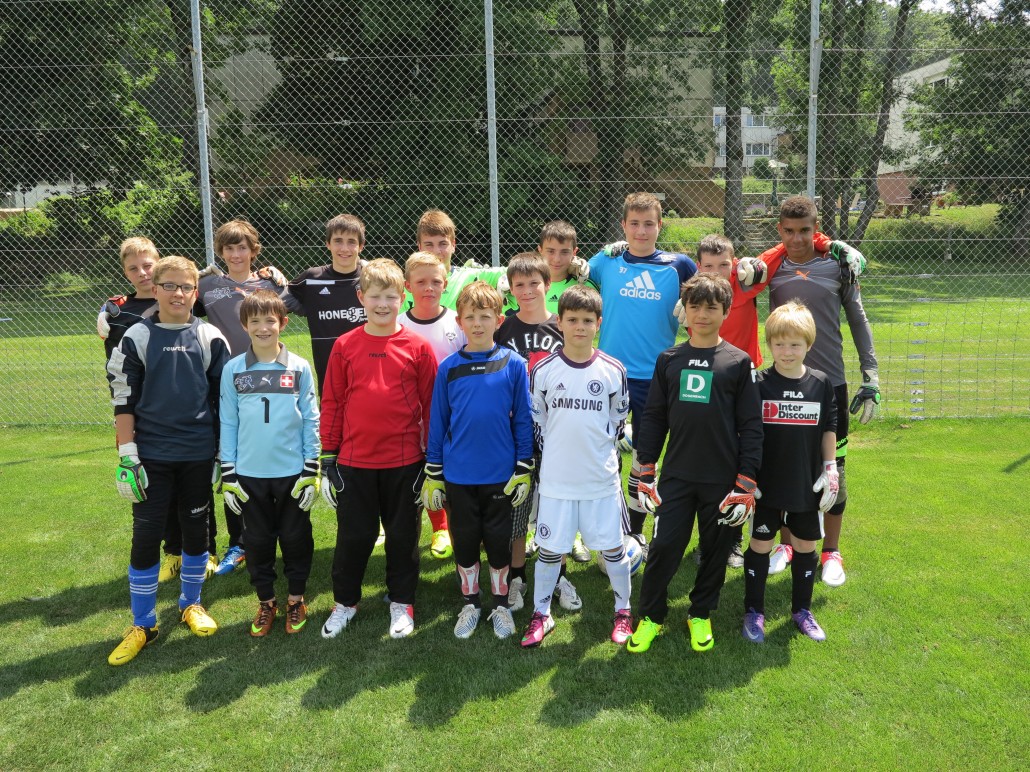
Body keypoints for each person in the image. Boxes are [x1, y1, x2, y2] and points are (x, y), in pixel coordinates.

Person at [626, 273, 762, 654]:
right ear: (684, 311)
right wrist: (645, 469)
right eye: (695, 306)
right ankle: (651, 616)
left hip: (723, 479)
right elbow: (654, 417)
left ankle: (700, 612)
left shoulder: (738, 362)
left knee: (716, 549)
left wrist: (746, 481)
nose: (702, 314)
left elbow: (752, 427)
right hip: (677, 476)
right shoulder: (669, 359)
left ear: (725, 312)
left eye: (711, 307)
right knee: (665, 546)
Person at [106, 256, 231, 665]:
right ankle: (143, 623)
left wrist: (221, 453)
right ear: (155, 289)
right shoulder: (137, 336)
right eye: (170, 286)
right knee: (146, 535)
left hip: (197, 453)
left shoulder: (211, 336)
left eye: (186, 287)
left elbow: (223, 402)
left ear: (196, 293)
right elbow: (123, 399)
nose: (178, 293)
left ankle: (190, 603)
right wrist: (128, 454)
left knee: (196, 531)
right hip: (151, 456)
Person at [760, 196, 880, 587]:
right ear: (779, 230)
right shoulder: (769, 267)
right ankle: (785, 545)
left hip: (829, 386)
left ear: (817, 229)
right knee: (782, 464)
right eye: (789, 231)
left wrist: (871, 375)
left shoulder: (839, 266)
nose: (797, 239)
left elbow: (858, 320)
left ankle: (831, 552)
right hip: (783, 384)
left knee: (834, 470)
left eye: (805, 231)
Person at [319, 259, 436, 640]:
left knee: (403, 537)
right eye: (375, 296)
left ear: (402, 298)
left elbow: (432, 407)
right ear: (361, 298)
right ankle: (345, 602)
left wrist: (433, 461)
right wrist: (328, 457)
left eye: (390, 296)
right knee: (354, 536)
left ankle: (402, 601)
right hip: (355, 462)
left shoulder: (418, 347)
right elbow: (332, 402)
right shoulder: (345, 345)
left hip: (405, 462)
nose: (383, 304)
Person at [95, 237, 216, 583]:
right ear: (125, 273)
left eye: (148, 265)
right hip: (144, 422)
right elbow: (122, 381)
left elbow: (207, 288)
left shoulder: (195, 312)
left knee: (197, 497)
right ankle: (172, 552)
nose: (142, 273)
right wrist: (126, 440)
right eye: (133, 268)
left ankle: (203, 552)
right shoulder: (120, 312)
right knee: (154, 497)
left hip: (193, 431)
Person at [521, 285, 633, 647]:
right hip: (556, 481)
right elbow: (539, 422)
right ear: (560, 322)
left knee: (613, 550)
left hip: (600, 480)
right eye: (572, 320)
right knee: (550, 551)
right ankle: (542, 614)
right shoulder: (543, 371)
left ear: (598, 323)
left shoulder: (613, 370)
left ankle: (623, 611)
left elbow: (617, 422)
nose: (580, 327)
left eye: (587, 320)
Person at [422, 281, 534, 640]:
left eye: (485, 316)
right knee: (466, 539)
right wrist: (434, 471)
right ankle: (470, 603)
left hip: (500, 473)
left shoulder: (514, 364)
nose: (477, 323)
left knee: (499, 541)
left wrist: (524, 465)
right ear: (459, 322)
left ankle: (501, 605)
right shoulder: (448, 367)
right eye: (470, 317)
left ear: (499, 320)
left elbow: (523, 419)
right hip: (459, 474)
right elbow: (438, 421)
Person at [587, 192, 697, 546]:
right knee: (604, 457)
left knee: (644, 459)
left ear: (660, 225)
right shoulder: (606, 262)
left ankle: (634, 532)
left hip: (656, 379)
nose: (641, 231)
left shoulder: (679, 266)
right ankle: (605, 529)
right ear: (623, 226)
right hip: (608, 376)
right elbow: (569, 275)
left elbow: (710, 293)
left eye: (648, 224)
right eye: (634, 223)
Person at [196, 219, 298, 577]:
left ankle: (282, 535)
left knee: (272, 454)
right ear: (221, 252)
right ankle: (238, 543)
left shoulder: (270, 283)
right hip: (226, 382)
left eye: (242, 247)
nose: (236, 254)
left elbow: (300, 302)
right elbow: (170, 297)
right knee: (232, 457)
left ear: (254, 250)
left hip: (270, 380)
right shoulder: (207, 286)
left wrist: (281, 280)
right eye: (229, 248)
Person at [219, 290, 320, 637]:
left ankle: (295, 598)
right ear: (244, 325)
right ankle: (266, 601)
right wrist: (229, 472)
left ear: (283, 323)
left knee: (295, 536)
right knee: (258, 541)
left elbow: (311, 418)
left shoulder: (299, 366)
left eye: (270, 321)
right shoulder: (233, 369)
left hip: (292, 472)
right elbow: (228, 421)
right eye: (255, 321)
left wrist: (311, 466)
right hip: (249, 474)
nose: (263, 328)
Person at [744, 301, 838, 643]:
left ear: (808, 344)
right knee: (760, 543)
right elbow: (745, 432)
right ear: (769, 344)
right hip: (765, 483)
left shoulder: (821, 383)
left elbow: (829, 427)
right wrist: (746, 475)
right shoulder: (757, 383)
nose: (787, 351)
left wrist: (830, 469)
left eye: (795, 344)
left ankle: (802, 610)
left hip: (804, 482)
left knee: (804, 544)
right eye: (779, 344)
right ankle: (753, 611)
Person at [494, 253, 581, 612]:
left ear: (548, 284)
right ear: (511, 289)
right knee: (517, 505)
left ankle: (558, 574)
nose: (527, 290)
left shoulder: (562, 326)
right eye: (520, 285)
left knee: (555, 504)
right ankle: (517, 576)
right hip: (514, 431)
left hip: (555, 430)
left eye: (534, 283)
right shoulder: (503, 328)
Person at [398, 251, 467, 560]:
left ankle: (457, 529)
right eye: (421, 282)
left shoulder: (458, 323)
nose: (429, 288)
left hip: (454, 415)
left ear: (446, 283)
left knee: (452, 473)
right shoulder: (398, 324)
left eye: (436, 282)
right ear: (407, 287)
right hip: (410, 417)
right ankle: (438, 527)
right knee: (420, 473)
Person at [287, 213, 369, 394]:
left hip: (368, 374)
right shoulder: (312, 279)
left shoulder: (371, 279)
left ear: (361, 246)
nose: (344, 248)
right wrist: (269, 276)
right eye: (338, 241)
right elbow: (276, 300)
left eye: (351, 242)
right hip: (329, 380)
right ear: (328, 244)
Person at [413, 209, 511, 311]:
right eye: (429, 245)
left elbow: (516, 270)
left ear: (453, 245)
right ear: (419, 247)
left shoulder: (469, 277)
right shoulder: (407, 287)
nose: (436, 251)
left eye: (443, 244)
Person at [535, 219, 595, 314]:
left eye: (564, 252)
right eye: (551, 251)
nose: (557, 259)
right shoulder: (525, 287)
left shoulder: (587, 288)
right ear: (540, 250)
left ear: (574, 252)